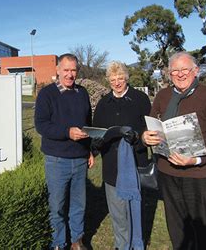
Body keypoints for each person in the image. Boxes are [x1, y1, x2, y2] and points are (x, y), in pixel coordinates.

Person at [142, 52, 206, 249]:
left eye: (185, 70)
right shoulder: (162, 95)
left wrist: (195, 160)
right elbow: (151, 126)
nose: (180, 74)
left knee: (205, 232)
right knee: (178, 230)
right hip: (168, 173)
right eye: (175, 71)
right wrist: (145, 137)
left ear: (195, 71)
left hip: (201, 176)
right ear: (169, 73)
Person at [34, 53, 94, 250]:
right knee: (57, 207)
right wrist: (67, 132)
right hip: (57, 160)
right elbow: (41, 125)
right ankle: (59, 243)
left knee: (79, 205)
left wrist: (90, 150)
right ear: (58, 70)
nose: (70, 74)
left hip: (79, 159)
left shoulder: (82, 93)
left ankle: (77, 240)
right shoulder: (47, 94)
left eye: (73, 70)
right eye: (66, 70)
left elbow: (89, 125)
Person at [92, 61, 152, 249]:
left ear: (126, 78)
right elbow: (97, 133)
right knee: (117, 211)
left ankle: (137, 241)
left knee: (135, 207)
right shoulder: (103, 104)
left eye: (120, 78)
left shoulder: (140, 99)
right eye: (113, 79)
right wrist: (96, 145)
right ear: (108, 80)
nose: (117, 82)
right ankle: (122, 244)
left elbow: (149, 128)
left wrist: (139, 136)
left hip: (135, 161)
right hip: (112, 165)